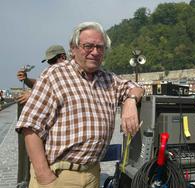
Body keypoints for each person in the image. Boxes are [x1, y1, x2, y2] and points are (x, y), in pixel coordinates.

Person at [16, 21, 144, 188]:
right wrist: (44, 176)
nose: (95, 52)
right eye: (88, 46)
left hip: (92, 174)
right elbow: (30, 127)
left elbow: (135, 88)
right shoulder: (55, 75)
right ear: (73, 48)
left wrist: (130, 101)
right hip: (59, 175)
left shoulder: (109, 79)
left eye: (100, 47)